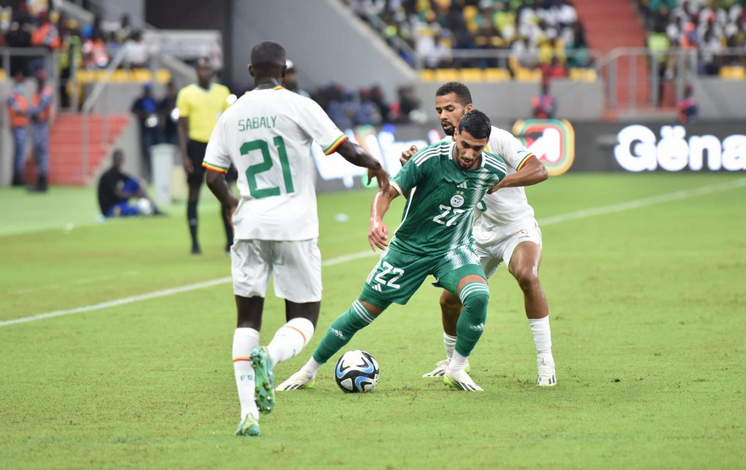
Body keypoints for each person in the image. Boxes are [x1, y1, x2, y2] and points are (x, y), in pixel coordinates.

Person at [202, 41, 389, 437]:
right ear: (283, 71)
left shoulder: (230, 115)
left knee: (247, 317)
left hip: (250, 225)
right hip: (295, 228)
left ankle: (247, 411)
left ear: (251, 71)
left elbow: (213, 177)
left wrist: (234, 206)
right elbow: (345, 149)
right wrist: (375, 164)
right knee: (303, 317)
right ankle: (269, 358)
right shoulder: (299, 104)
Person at [277, 110, 507, 397]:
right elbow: (387, 192)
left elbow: (496, 189)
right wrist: (376, 220)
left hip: (452, 249)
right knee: (360, 314)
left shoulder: (493, 169)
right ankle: (308, 371)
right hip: (408, 251)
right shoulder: (428, 159)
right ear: (456, 134)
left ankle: (456, 368)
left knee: (478, 295)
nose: (470, 154)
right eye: (465, 145)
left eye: (478, 148)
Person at [402, 82, 555, 386]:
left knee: (526, 274)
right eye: (439, 110)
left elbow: (539, 170)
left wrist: (500, 182)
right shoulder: (446, 149)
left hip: (515, 227)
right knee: (448, 301)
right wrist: (412, 170)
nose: (443, 116)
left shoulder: (497, 139)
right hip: (477, 235)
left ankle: (545, 360)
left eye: (450, 108)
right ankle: (454, 363)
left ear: (467, 109)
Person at [177, 57, 235, 255]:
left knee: (225, 191)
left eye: (208, 69)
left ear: (213, 71)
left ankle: (230, 241)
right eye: (201, 68)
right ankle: (194, 243)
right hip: (197, 146)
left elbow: (230, 123)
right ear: (196, 71)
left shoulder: (223, 92)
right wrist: (184, 155)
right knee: (194, 193)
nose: (205, 72)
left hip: (220, 146)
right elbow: (182, 127)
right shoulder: (186, 94)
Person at [97, 149, 161, 217]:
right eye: (118, 159)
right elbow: (118, 194)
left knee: (133, 182)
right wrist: (135, 195)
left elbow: (133, 180)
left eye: (121, 159)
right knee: (134, 210)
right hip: (110, 209)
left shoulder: (118, 173)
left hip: (119, 203)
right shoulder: (108, 175)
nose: (120, 161)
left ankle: (153, 207)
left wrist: (141, 185)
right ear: (113, 160)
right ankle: (144, 208)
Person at [28, 69, 52, 192]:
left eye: (40, 79)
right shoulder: (38, 93)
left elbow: (38, 109)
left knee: (42, 152)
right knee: (38, 153)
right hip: (37, 124)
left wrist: (30, 113)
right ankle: (40, 181)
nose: (38, 81)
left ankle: (43, 182)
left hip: (41, 124)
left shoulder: (45, 93)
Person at [131, 83, 161, 173]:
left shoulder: (154, 100)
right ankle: (148, 171)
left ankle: (156, 170)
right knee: (146, 152)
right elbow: (133, 110)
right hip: (145, 130)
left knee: (157, 150)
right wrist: (144, 114)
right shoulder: (140, 101)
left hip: (155, 131)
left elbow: (159, 111)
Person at [8, 70, 29, 187]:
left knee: (21, 153)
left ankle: (19, 175)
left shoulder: (20, 97)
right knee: (19, 152)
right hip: (17, 126)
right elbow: (18, 110)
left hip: (23, 126)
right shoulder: (13, 97)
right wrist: (28, 114)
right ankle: (17, 177)